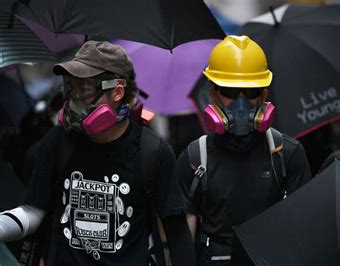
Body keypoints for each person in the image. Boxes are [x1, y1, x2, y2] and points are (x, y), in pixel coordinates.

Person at [0, 41, 195, 265]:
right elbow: (33, 212)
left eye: (84, 91)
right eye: (71, 88)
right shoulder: (57, 143)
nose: (75, 101)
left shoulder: (152, 152)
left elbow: (177, 232)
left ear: (117, 92)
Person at [177, 35, 312, 265]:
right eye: (230, 91)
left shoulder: (285, 153)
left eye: (250, 93)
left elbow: (306, 230)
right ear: (213, 94)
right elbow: (184, 239)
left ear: (263, 96)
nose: (241, 103)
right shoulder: (195, 158)